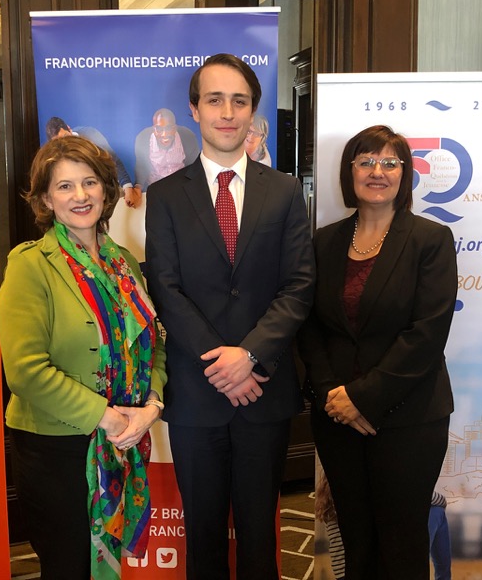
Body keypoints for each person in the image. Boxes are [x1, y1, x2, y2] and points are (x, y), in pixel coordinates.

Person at [144, 53, 315, 579]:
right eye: (214, 99)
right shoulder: (166, 195)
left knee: (262, 534)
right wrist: (221, 364)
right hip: (198, 394)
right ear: (194, 110)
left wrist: (250, 355)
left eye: (239, 101)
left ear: (253, 112)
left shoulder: (284, 191)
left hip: (264, 390)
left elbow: (300, 284)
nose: (227, 111)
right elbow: (165, 288)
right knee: (204, 535)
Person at [0, 135, 166, 580]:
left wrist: (152, 405)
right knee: (70, 564)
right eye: (65, 186)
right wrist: (108, 418)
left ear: (107, 191)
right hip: (58, 450)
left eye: (89, 182)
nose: (80, 196)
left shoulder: (124, 264)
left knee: (106, 562)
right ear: (46, 199)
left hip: (121, 439)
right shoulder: (30, 265)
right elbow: (25, 372)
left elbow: (154, 342)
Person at [298, 124, 458, 579]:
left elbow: (427, 334)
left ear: (405, 175)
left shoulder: (430, 240)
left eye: (390, 163)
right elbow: (310, 327)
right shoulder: (325, 241)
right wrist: (336, 398)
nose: (377, 171)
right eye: (366, 161)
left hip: (409, 419)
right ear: (350, 172)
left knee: (401, 542)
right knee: (355, 535)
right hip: (337, 417)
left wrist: (364, 399)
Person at [44, 116, 134, 207]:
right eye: (57, 141)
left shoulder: (90, 135)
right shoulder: (53, 155)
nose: (64, 143)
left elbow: (113, 161)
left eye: (65, 136)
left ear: (69, 129)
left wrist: (128, 188)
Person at [133, 107, 199, 193]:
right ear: (154, 129)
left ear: (175, 128)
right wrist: (137, 188)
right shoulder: (142, 139)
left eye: (169, 128)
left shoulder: (188, 137)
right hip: (154, 188)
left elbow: (195, 168)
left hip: (181, 189)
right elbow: (141, 168)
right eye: (159, 129)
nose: (164, 134)